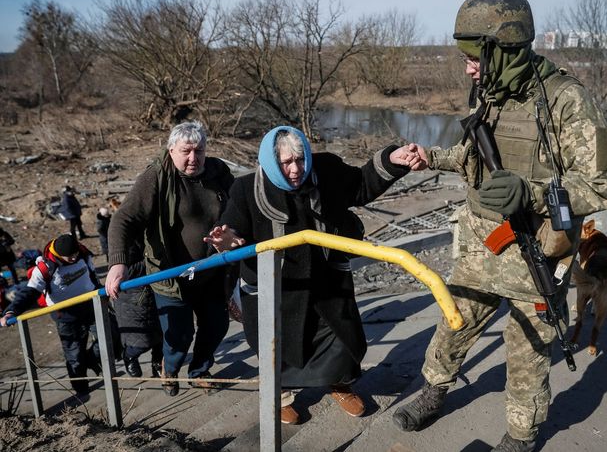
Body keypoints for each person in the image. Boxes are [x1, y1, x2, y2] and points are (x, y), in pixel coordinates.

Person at [391, 0, 607, 452]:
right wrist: (430, 157)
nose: (468, 67)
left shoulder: (567, 101)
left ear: (506, 48)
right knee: (455, 321)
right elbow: (475, 157)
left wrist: (532, 194)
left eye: (474, 57)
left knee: (528, 349)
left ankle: (520, 435)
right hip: (481, 243)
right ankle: (434, 390)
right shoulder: (491, 94)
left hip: (535, 252)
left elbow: (600, 184)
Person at [205, 126, 421, 425]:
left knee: (340, 337)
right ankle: (280, 395)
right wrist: (226, 240)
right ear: (271, 162)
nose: (296, 169)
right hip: (277, 287)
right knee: (278, 344)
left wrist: (393, 159)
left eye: (300, 159)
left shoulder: (326, 168)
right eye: (286, 163)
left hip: (326, 278)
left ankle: (339, 383)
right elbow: (232, 228)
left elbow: (360, 186)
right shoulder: (245, 189)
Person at [105, 120, 236, 397]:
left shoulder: (218, 171)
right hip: (170, 277)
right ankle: (169, 367)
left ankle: (200, 371)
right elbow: (123, 218)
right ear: (171, 150)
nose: (193, 158)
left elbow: (237, 208)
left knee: (216, 326)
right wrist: (117, 263)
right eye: (186, 151)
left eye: (199, 150)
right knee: (179, 336)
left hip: (212, 270)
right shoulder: (157, 176)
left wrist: (231, 232)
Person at [0, 234, 104, 398]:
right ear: (58, 254)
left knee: (110, 336)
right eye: (69, 256)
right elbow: (30, 292)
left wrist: (100, 289)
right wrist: (11, 310)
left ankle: (91, 360)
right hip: (65, 314)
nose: (73, 258)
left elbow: (92, 274)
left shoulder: (82, 253)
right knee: (74, 355)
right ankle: (82, 391)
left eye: (75, 254)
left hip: (91, 304)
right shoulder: (45, 268)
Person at [111, 240, 163, 379]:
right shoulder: (124, 243)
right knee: (140, 342)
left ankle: (157, 363)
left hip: (152, 291)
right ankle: (129, 356)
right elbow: (127, 270)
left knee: (161, 336)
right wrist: (155, 261)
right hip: (131, 299)